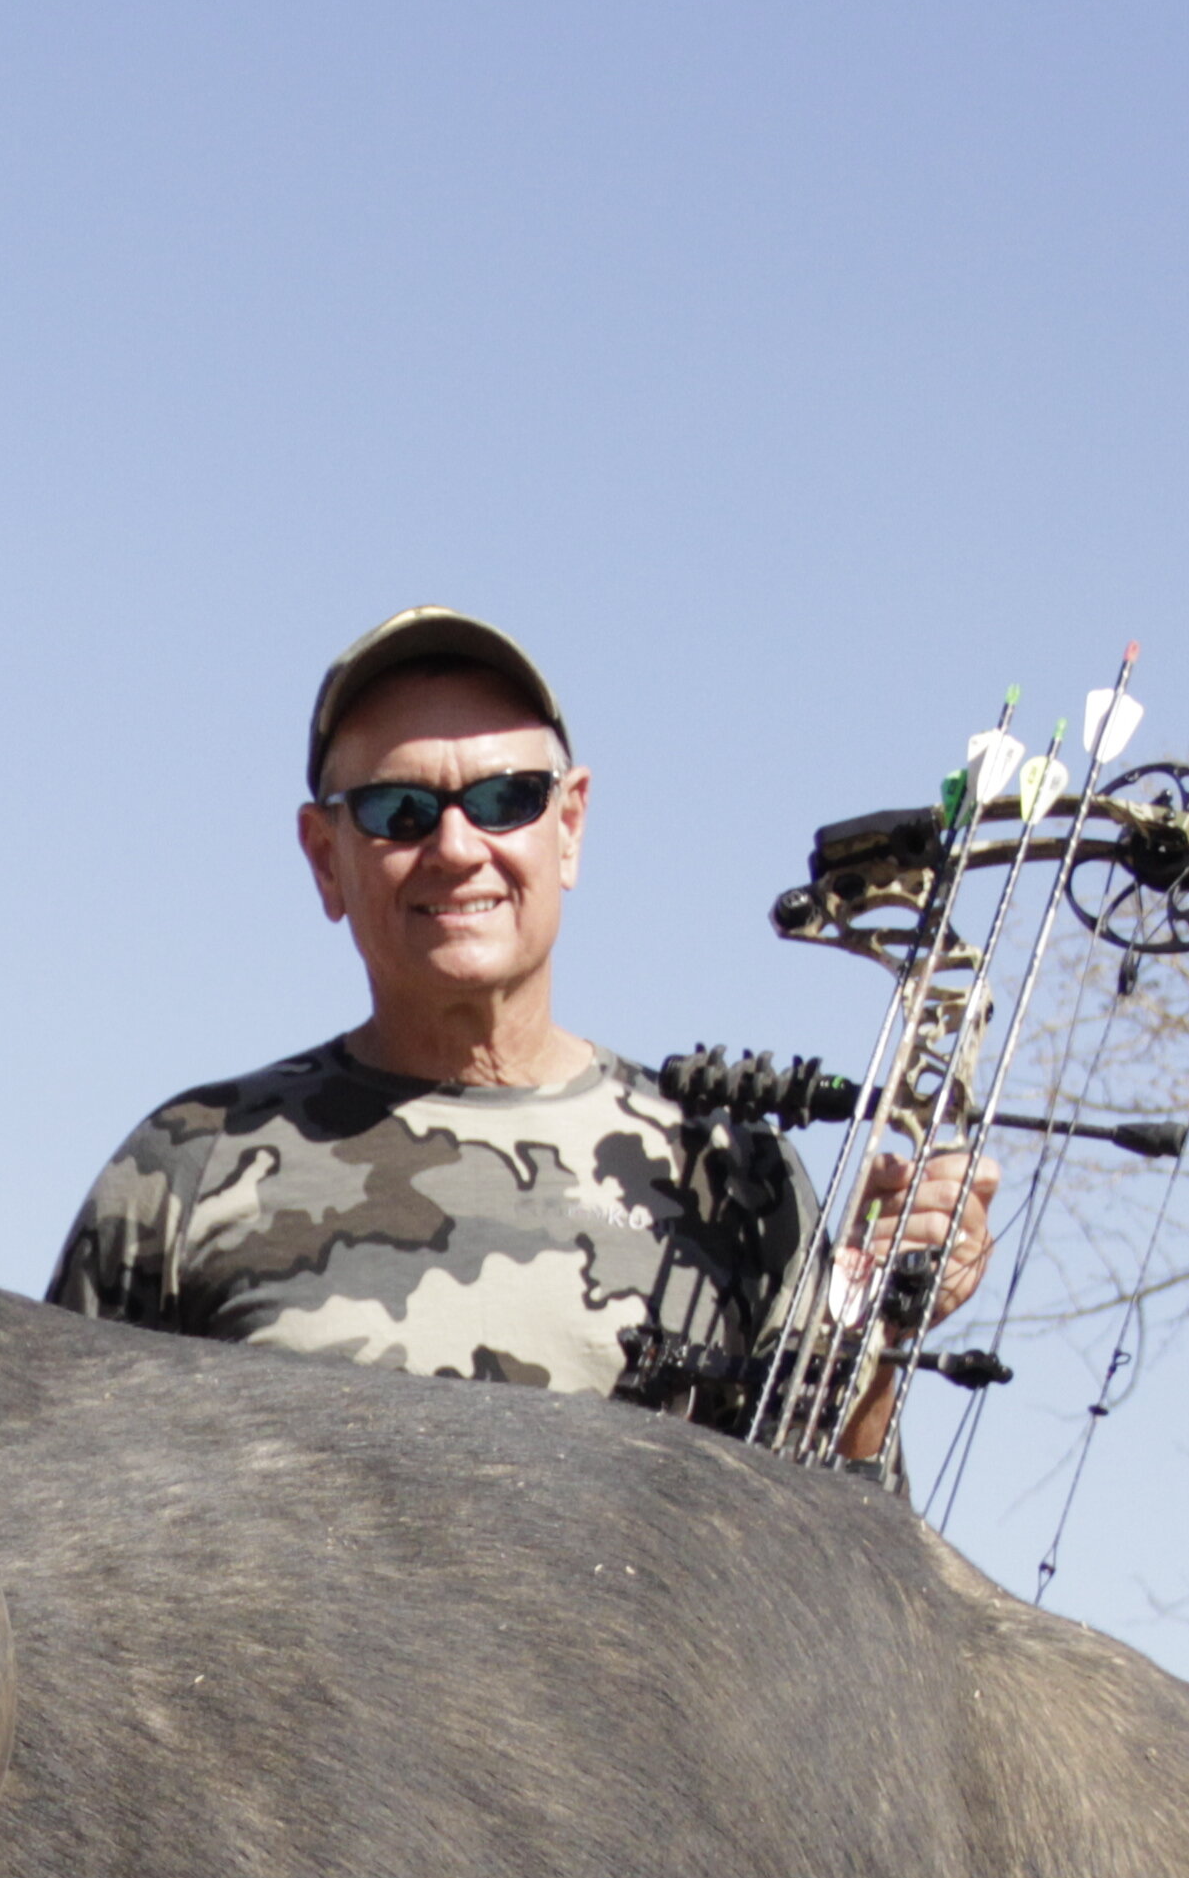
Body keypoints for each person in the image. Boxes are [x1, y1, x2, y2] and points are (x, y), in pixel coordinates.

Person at [48, 605, 993, 1464]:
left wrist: (876, 1327)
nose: (457, 847)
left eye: (507, 799)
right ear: (325, 858)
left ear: (570, 825)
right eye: (398, 811)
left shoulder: (733, 1176)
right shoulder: (185, 1164)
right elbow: (50, 1527)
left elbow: (849, 1572)